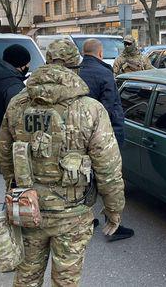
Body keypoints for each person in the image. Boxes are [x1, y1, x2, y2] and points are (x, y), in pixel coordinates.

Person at [0, 40, 125, 287]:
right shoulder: (90, 109)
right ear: (76, 68)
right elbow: (108, 169)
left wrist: (16, 189)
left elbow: (3, 157)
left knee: (27, 276)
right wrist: (114, 209)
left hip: (28, 207)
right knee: (66, 280)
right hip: (72, 213)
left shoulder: (18, 105)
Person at [50, 38, 135, 241]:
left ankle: (85, 217)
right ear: (100, 53)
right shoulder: (104, 73)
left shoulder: (78, 72)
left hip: (74, 134)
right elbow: (110, 108)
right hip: (101, 132)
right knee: (108, 176)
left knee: (82, 176)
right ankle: (113, 223)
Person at [0, 44, 31, 163]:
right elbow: (19, 122)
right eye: (27, 64)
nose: (28, 67)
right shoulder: (12, 86)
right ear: (20, 64)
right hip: (11, 148)